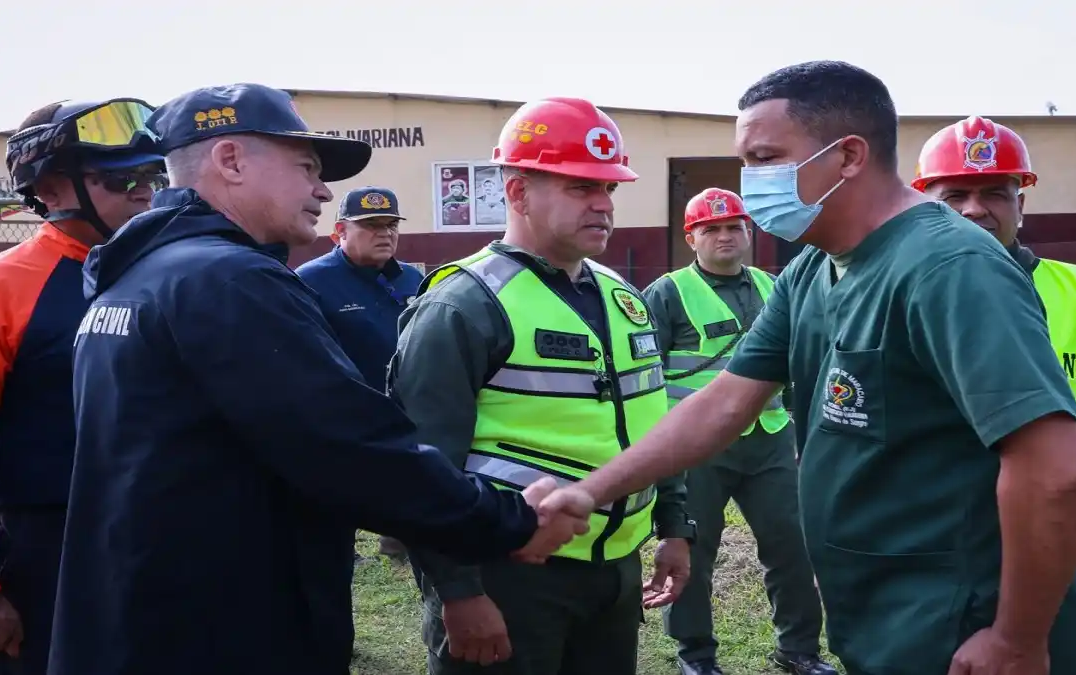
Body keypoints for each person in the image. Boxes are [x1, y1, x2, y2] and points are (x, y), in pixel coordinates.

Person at [535, 61, 1076, 675]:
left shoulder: (950, 268)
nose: (749, 181)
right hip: (883, 615)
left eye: (765, 158)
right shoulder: (813, 268)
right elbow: (726, 401)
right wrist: (589, 491)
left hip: (966, 624)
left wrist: (1017, 640)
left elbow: (1058, 471)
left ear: (849, 156)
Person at [49, 83, 590, 675]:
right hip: (226, 628)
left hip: (142, 612)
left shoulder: (140, 276)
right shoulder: (230, 281)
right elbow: (352, 450)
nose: (323, 190)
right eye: (305, 167)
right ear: (230, 160)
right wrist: (509, 522)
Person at [388, 96, 696, 675]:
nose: (604, 205)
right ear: (517, 192)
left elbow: (651, 418)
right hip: (510, 575)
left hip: (614, 569)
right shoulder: (462, 305)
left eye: (610, 189)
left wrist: (675, 525)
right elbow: (421, 468)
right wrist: (457, 591)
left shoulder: (622, 295)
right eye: (581, 187)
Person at [915, 115, 1076, 675]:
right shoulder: (886, 298)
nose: (973, 209)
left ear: (1022, 204)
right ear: (924, 202)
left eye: (995, 193)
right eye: (954, 194)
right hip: (931, 581)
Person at [0, 97, 167, 675]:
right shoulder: (0, 288)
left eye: (152, 173)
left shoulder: (170, 273)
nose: (146, 190)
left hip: (155, 542)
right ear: (53, 190)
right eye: (122, 177)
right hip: (41, 553)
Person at [642, 187, 833, 675]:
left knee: (791, 546)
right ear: (692, 238)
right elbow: (646, 375)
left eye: (734, 227)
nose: (725, 236)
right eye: (711, 229)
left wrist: (804, 436)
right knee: (693, 550)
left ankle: (799, 650)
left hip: (770, 437)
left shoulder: (776, 286)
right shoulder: (667, 293)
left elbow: (798, 363)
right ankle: (697, 657)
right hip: (697, 446)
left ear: (749, 232)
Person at [295, 185, 422, 561]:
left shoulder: (412, 280)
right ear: (339, 232)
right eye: (370, 225)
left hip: (402, 400)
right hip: (342, 403)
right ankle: (340, 546)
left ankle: (400, 538)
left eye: (390, 225)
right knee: (338, 480)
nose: (384, 233)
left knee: (408, 471)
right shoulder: (311, 280)